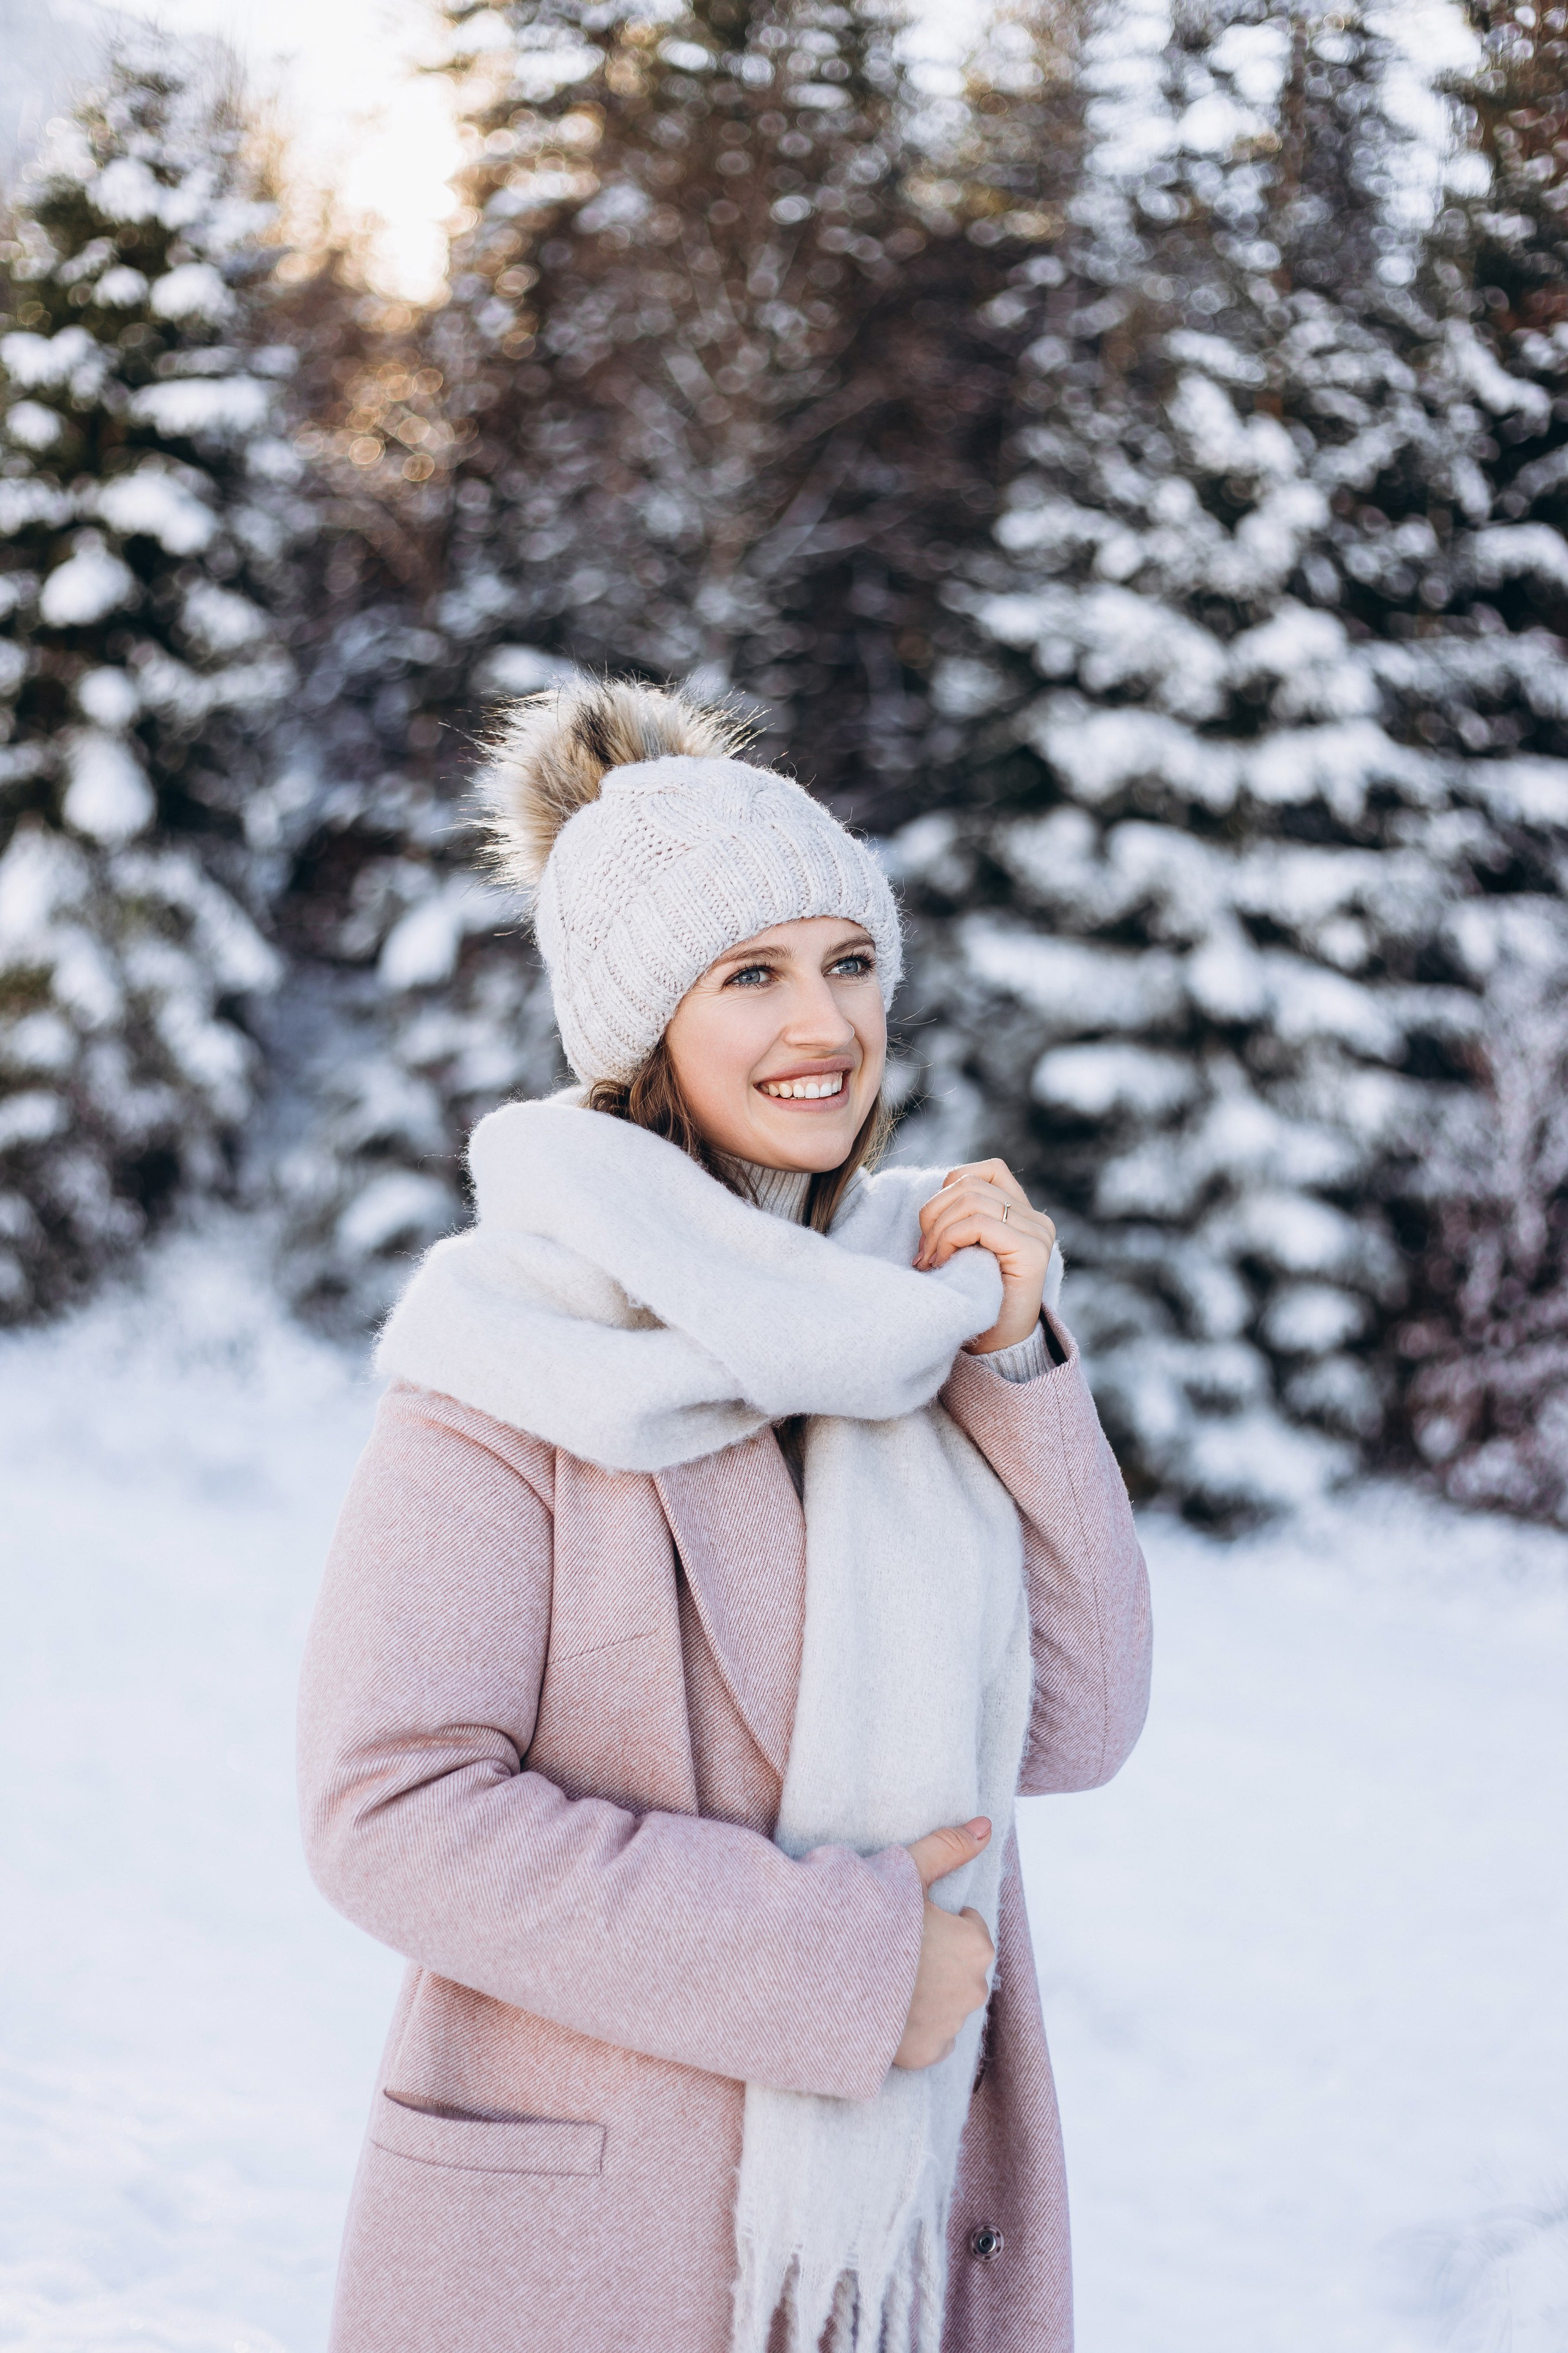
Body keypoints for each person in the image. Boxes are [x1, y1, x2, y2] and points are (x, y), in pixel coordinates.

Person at [297, 679, 1152, 2353]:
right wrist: (838, 1960)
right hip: (604, 2240)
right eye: (750, 974)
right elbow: (385, 1805)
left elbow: (1081, 1720)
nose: (821, 1021)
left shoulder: (916, 1318)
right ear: (642, 1028)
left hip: (898, 2250)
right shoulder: (514, 1342)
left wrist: (1018, 1357)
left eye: (848, 964)